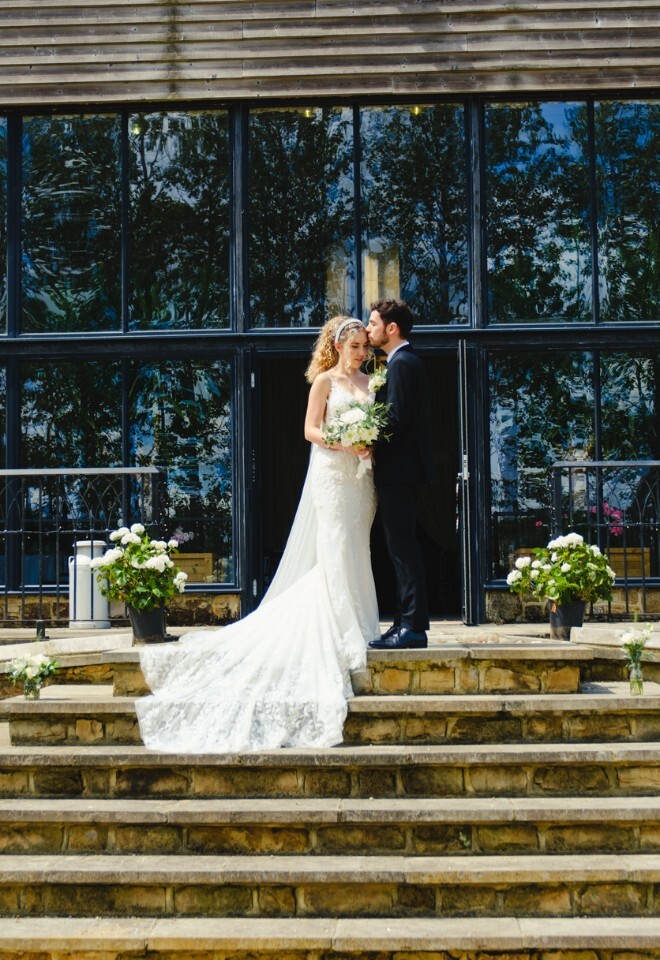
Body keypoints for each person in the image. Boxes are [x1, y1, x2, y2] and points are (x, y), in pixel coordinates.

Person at [135, 316, 380, 753]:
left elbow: (381, 426)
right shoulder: (324, 381)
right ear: (338, 345)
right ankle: (343, 630)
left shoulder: (372, 382)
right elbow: (310, 430)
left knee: (356, 546)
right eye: (356, 346)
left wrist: (369, 443)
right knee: (335, 547)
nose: (361, 353)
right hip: (331, 473)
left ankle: (361, 623)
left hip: (361, 480)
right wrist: (344, 441)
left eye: (365, 346)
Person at [365, 298, 432, 649]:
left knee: (403, 548)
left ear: (392, 328)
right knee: (398, 547)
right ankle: (404, 623)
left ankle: (413, 628)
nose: (368, 329)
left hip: (401, 471)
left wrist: (363, 437)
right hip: (398, 471)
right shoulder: (398, 362)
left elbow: (397, 419)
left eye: (373, 323)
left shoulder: (403, 364)